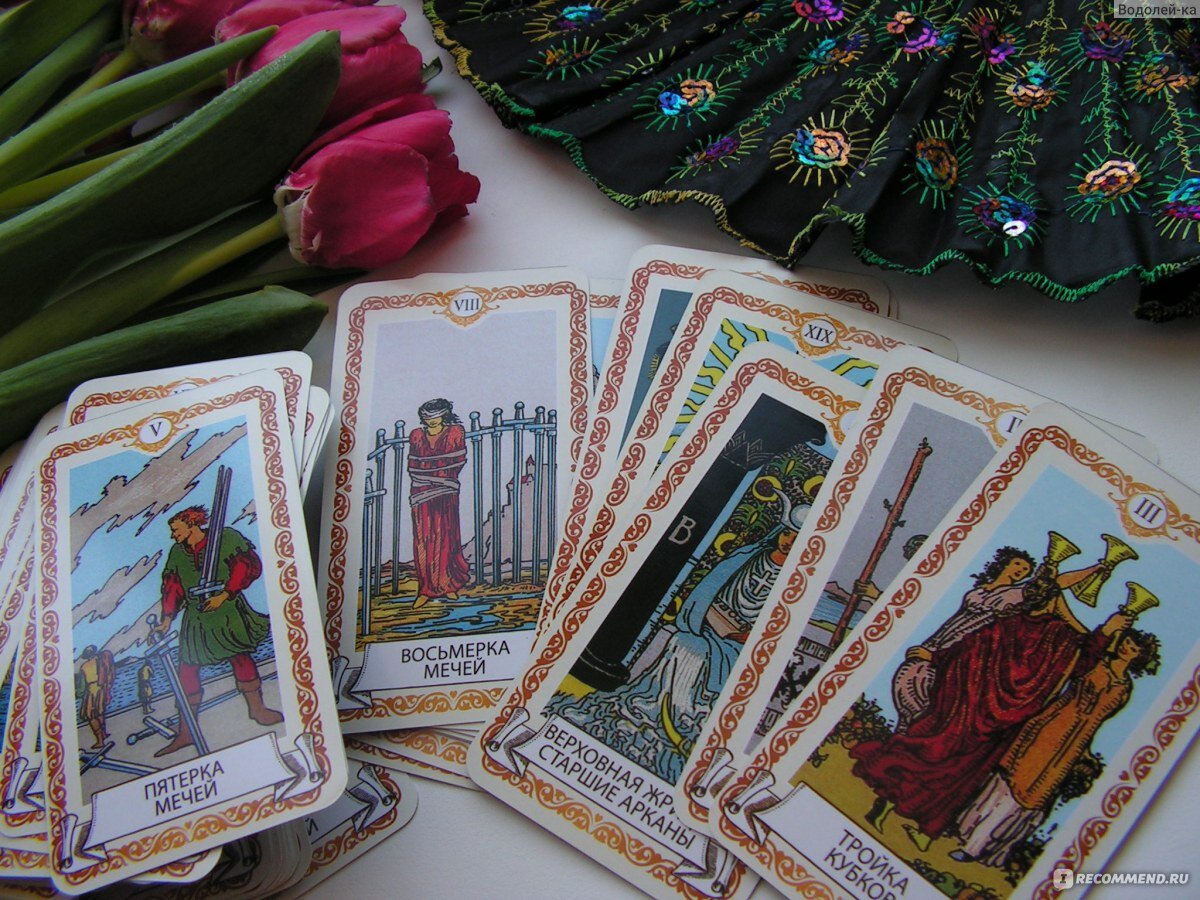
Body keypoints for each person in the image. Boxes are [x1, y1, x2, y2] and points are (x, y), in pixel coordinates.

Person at [851, 572, 1132, 851]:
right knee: (958, 777)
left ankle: (884, 807)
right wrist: (1106, 631)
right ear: (1052, 602)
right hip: (997, 726)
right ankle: (925, 830)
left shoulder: (1009, 624)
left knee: (921, 750)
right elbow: (1082, 664)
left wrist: (935, 657)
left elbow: (966, 648)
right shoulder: (1058, 635)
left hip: (963, 710)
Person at [952, 629, 1160, 867]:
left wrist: (1085, 752)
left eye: (1133, 648)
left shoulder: (1123, 689)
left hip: (1071, 744)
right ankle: (968, 832)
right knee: (1007, 780)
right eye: (1127, 642)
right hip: (1051, 724)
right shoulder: (1096, 662)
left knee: (1029, 794)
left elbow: (1098, 719)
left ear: (1139, 656)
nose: (1126, 648)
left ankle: (977, 847)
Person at [891, 546, 1106, 733]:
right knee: (910, 679)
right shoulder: (982, 589)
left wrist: (1097, 568)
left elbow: (1057, 584)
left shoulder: (1018, 593)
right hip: (941, 639)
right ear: (1005, 563)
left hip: (968, 649)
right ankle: (904, 727)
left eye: (1025, 570)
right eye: (1018, 564)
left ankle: (913, 730)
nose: (1021, 570)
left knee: (935, 694)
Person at [151, 505, 282, 758]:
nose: (173, 535)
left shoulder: (226, 537)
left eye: (176, 529)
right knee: (187, 667)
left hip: (226, 608)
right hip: (196, 616)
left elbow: (247, 566)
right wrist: (167, 619)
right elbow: (173, 586)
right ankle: (186, 731)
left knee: (240, 657)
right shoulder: (177, 553)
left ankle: (258, 710)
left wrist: (225, 594)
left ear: (191, 524)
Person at [407, 398, 471, 609]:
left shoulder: (455, 432)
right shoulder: (417, 435)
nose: (432, 421)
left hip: (446, 492)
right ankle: (425, 589)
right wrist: (435, 473)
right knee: (423, 540)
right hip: (421, 494)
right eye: (427, 417)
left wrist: (434, 474)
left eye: (436, 416)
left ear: (445, 415)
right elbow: (413, 467)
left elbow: (456, 462)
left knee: (446, 538)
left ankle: (448, 585)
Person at [77, 646, 114, 749]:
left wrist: (79, 694)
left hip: (91, 690)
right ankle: (104, 733)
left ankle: (100, 741)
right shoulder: (101, 661)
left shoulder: (84, 666)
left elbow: (82, 687)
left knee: (91, 716)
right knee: (100, 713)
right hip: (101, 689)